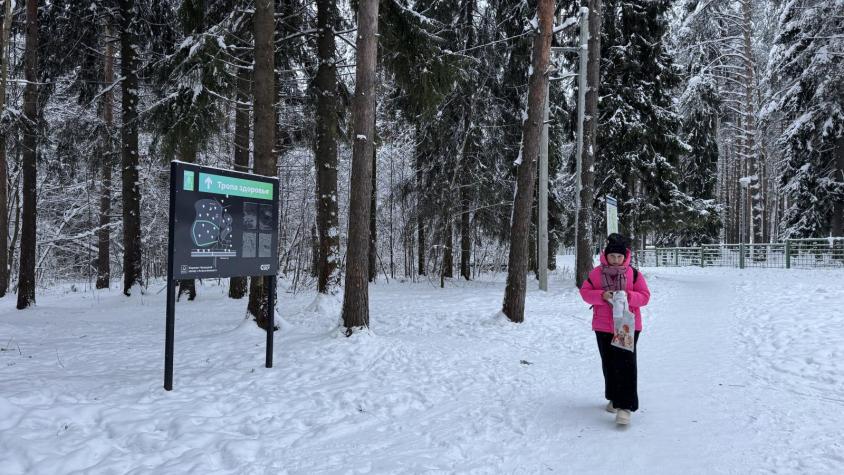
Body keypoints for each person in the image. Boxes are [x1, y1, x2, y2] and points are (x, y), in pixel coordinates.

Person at [579, 233, 651, 426]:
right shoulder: (596, 274)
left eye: (620, 256)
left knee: (626, 365)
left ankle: (625, 407)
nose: (616, 260)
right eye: (613, 256)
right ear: (606, 255)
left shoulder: (633, 274)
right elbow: (585, 293)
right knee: (609, 364)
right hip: (603, 326)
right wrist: (602, 295)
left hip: (627, 326)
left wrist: (628, 296)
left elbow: (645, 296)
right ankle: (613, 397)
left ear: (625, 256)